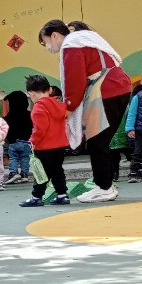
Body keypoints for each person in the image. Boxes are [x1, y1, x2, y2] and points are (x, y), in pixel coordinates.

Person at [38, 18, 132, 203]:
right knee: (101, 141)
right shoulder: (86, 39)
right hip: (120, 86)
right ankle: (106, 185)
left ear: (54, 35)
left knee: (96, 142)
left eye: (45, 42)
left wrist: (69, 106)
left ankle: (104, 188)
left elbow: (75, 79)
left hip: (105, 89)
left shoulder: (71, 44)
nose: (47, 47)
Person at [19, 74, 71, 208]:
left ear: (30, 93)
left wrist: (32, 141)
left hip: (44, 147)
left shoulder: (38, 108)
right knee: (57, 171)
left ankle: (36, 197)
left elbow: (40, 129)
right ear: (50, 89)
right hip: (60, 145)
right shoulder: (59, 105)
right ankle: (62, 195)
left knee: (41, 173)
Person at [3, 89, 33, 185]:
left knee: (13, 158)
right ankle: (24, 175)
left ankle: (13, 173)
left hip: (13, 142)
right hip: (26, 142)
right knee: (25, 158)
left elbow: (5, 130)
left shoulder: (8, 117)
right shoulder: (29, 115)